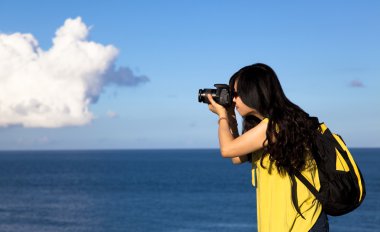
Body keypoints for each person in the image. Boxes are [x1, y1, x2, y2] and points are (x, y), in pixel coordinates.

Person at [206, 63, 329, 232]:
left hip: (301, 225)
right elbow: (237, 157)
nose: (233, 100)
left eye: (236, 94)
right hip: (286, 224)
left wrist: (222, 116)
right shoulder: (275, 124)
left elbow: (227, 150)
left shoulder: (274, 126)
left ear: (253, 93)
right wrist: (231, 120)